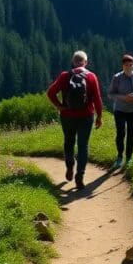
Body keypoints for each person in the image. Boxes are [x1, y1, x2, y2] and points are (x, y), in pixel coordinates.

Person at [47, 50, 104, 189]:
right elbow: (97, 99)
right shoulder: (91, 77)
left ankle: (70, 165)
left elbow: (50, 92)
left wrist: (59, 106)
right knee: (83, 145)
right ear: (86, 62)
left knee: (69, 141)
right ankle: (80, 175)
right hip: (86, 116)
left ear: (73, 62)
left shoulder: (65, 76)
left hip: (67, 116)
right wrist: (99, 116)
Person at [108, 53, 133, 169]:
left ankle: (129, 158)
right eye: (126, 65)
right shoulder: (117, 77)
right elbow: (110, 94)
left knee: (131, 134)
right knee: (121, 133)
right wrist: (124, 98)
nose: (129, 67)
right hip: (120, 109)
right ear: (122, 65)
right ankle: (120, 156)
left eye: (131, 65)